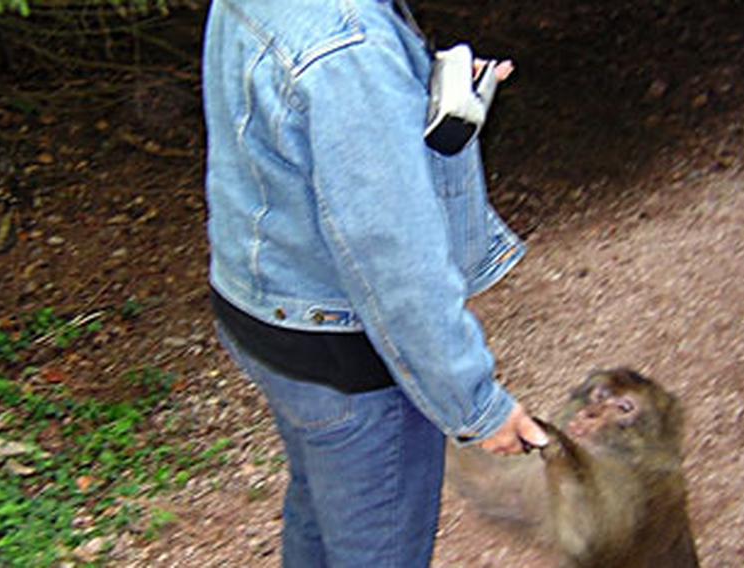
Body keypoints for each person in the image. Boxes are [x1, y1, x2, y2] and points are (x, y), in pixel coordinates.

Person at [202, 0, 548, 566]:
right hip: (344, 357)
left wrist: (410, 91)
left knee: (317, 507)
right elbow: (399, 271)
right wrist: (478, 406)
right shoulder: (349, 48)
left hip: (264, 313)